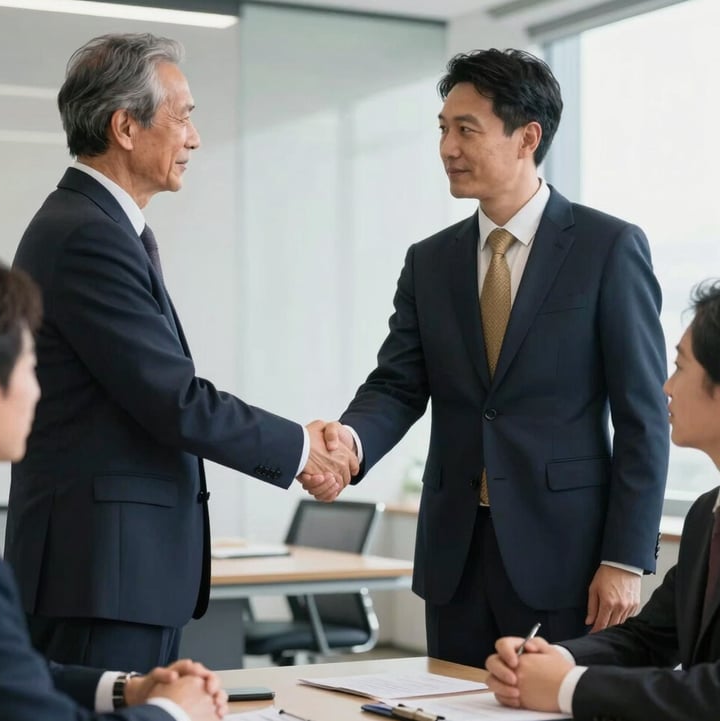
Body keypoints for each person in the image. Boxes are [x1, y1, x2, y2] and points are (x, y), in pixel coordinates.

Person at [302, 48, 670, 666]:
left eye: (466, 129)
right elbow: (397, 384)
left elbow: (643, 416)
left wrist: (624, 557)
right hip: (455, 557)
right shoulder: (430, 260)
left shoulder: (608, 248)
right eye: (443, 129)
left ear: (528, 136)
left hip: (568, 559)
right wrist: (351, 445)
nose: (447, 147)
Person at [7, 32, 357, 672]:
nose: (194, 138)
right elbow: (172, 399)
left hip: (121, 574)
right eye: (184, 116)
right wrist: (303, 450)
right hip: (100, 580)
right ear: (125, 128)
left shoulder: (99, 226)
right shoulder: (86, 236)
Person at [0, 251, 229, 721]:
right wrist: (173, 714)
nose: (40, 390)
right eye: (30, 369)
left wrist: (129, 689)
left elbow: (3, 677)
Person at [485, 279, 720, 721]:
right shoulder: (707, 514)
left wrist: (567, 688)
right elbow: (649, 640)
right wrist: (553, 660)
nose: (666, 387)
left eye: (681, 368)